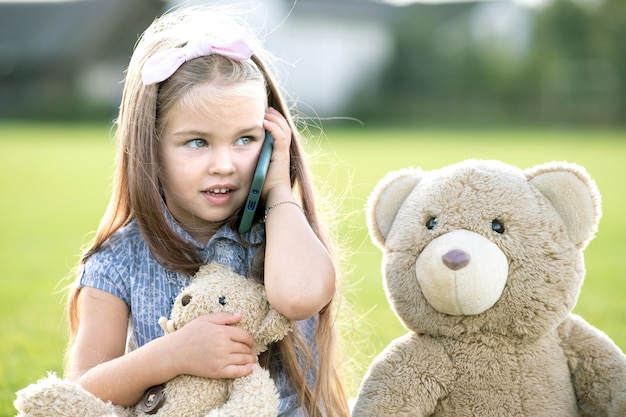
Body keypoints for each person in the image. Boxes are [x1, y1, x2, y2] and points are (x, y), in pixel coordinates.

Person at [64, 5, 350, 417]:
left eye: (246, 139)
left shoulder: (282, 236)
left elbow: (300, 295)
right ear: (151, 148)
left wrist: (277, 191)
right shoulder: (118, 260)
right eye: (197, 142)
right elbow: (81, 393)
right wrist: (171, 354)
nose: (224, 164)